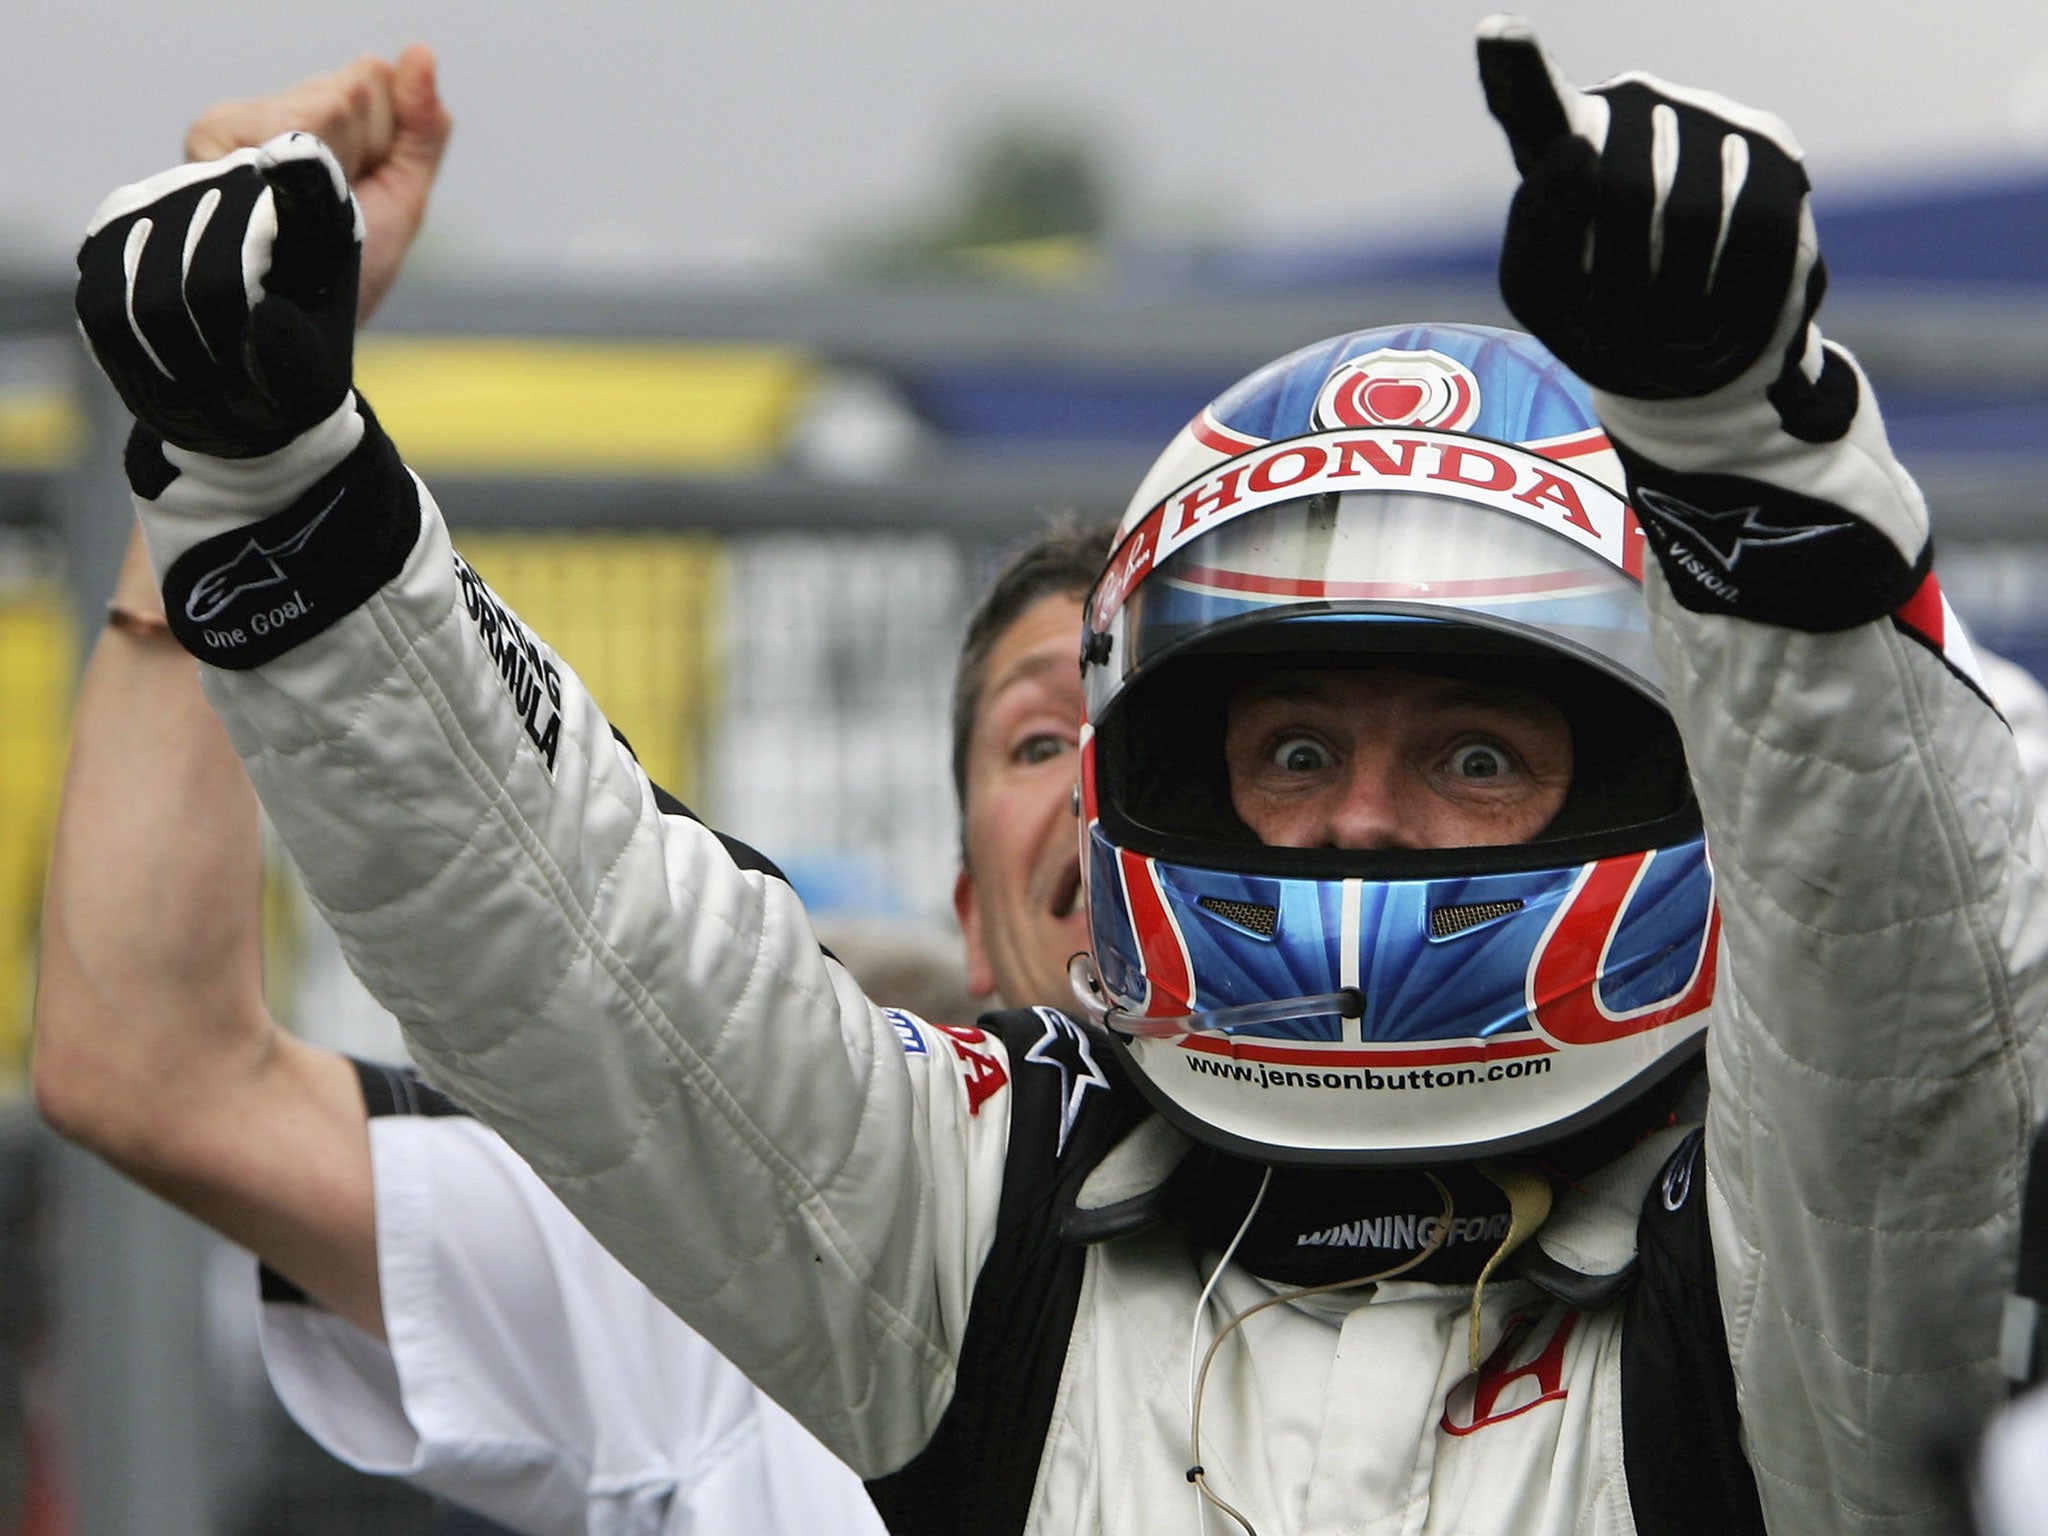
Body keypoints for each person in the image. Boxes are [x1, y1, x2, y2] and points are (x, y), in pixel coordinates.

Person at [66, 18, 2048, 1536]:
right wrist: (284, 500)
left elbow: (1906, 958)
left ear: (1653, 777)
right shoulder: (996, 1220)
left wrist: (1747, 453)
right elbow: (581, 940)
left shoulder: (1787, 1286)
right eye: (1289, 749)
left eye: (1470, 753)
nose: (1359, 821)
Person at [36, 49, 1103, 1536]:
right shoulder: (723, 1212)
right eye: (1045, 738)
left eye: (1180, 735)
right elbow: (159, 1075)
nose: (1104, 786)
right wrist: (226, 450)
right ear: (972, 908)